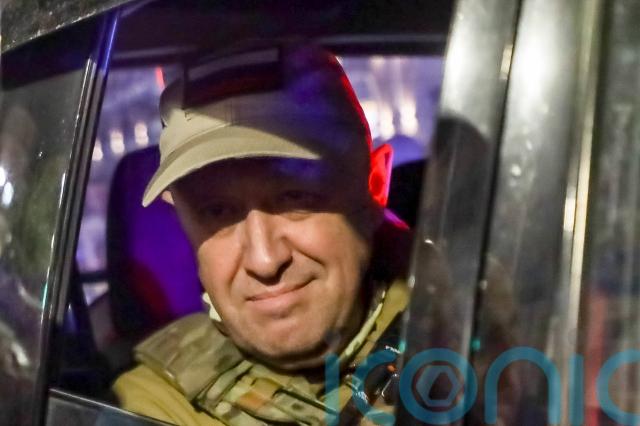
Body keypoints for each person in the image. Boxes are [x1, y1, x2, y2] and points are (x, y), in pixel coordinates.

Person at [112, 43, 412, 426]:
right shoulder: (150, 406)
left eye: (295, 197)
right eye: (217, 212)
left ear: (375, 186)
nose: (264, 260)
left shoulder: (467, 338)